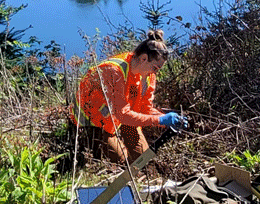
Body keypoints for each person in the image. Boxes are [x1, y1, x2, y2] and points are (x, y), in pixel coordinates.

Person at [71, 30, 188, 164]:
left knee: (144, 159)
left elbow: (144, 109)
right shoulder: (114, 71)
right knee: (123, 163)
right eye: (155, 67)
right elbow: (123, 115)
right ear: (144, 58)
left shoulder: (148, 76)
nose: (155, 72)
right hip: (93, 123)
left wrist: (166, 119)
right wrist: (160, 120)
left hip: (119, 119)